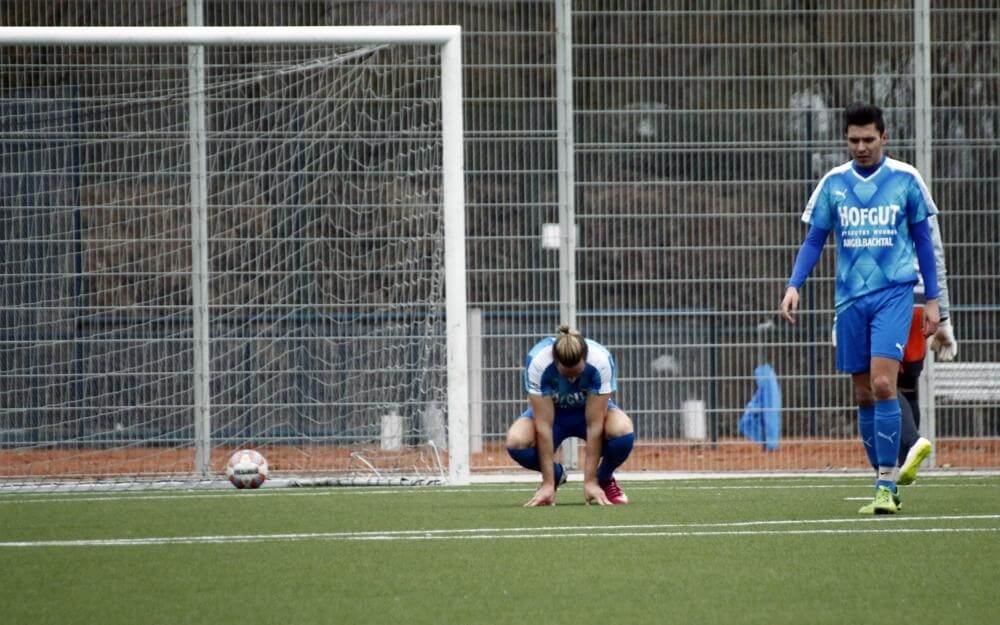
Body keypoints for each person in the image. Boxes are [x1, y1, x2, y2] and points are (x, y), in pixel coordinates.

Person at [780, 102, 941, 515]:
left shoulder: (906, 179)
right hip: (850, 300)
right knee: (863, 393)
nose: (861, 147)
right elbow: (815, 240)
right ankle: (881, 480)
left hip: (894, 293)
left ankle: (887, 484)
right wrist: (794, 285)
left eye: (869, 139)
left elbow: (924, 242)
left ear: (884, 138)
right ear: (846, 140)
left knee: (885, 385)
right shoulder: (833, 183)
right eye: (854, 140)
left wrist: (935, 300)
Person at [506, 325, 635, 506]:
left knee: (623, 430)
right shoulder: (538, 362)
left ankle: (603, 478)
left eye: (577, 374)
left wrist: (590, 481)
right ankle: (556, 475)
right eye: (566, 375)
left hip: (587, 414)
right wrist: (548, 482)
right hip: (554, 416)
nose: (572, 380)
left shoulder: (600, 360)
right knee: (516, 441)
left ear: (585, 357)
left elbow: (594, 425)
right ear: (556, 362)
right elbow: (544, 426)